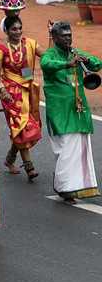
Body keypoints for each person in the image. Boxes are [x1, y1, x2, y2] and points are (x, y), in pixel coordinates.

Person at [40, 21, 100, 202]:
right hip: (60, 110)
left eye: (69, 35)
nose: (68, 38)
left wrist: (87, 61)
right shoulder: (51, 54)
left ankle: (75, 187)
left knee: (80, 145)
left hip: (78, 108)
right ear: (55, 37)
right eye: (64, 36)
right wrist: (67, 64)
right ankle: (62, 186)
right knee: (66, 147)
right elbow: (46, 64)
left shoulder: (75, 52)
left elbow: (98, 64)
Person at [0, 15, 45, 181]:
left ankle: (10, 159)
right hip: (10, 93)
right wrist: (3, 90)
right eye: (14, 29)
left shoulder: (29, 44)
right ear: (7, 31)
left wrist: (51, 36)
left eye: (19, 28)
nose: (18, 31)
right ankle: (29, 167)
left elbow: (47, 56)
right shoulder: (1, 48)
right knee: (21, 127)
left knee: (21, 127)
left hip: (27, 89)